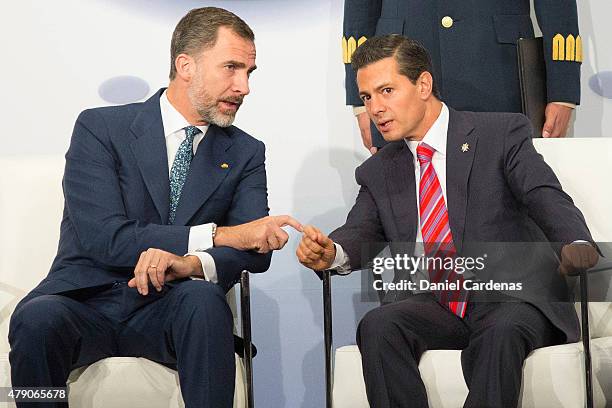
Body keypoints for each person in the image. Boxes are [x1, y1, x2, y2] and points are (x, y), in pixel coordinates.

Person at [8, 7, 301, 408]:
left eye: (249, 72)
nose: (243, 86)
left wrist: (191, 265)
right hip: (85, 301)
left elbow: (256, 252)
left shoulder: (246, 151)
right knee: (36, 320)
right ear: (186, 65)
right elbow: (103, 237)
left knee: (204, 302)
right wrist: (216, 236)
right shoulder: (100, 128)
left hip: (172, 306)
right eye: (231, 68)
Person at [298, 34, 598, 407]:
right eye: (366, 97)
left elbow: (543, 194)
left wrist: (576, 242)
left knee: (501, 332)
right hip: (436, 304)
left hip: (510, 299)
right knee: (379, 325)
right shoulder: (378, 170)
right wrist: (332, 252)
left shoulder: (499, 134)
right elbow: (360, 229)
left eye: (386, 90)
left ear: (423, 84)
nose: (375, 107)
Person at [342, 0, 582, 153]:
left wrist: (562, 90)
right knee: (404, 208)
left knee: (505, 205)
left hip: (500, 73)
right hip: (401, 72)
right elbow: (359, 9)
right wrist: (361, 100)